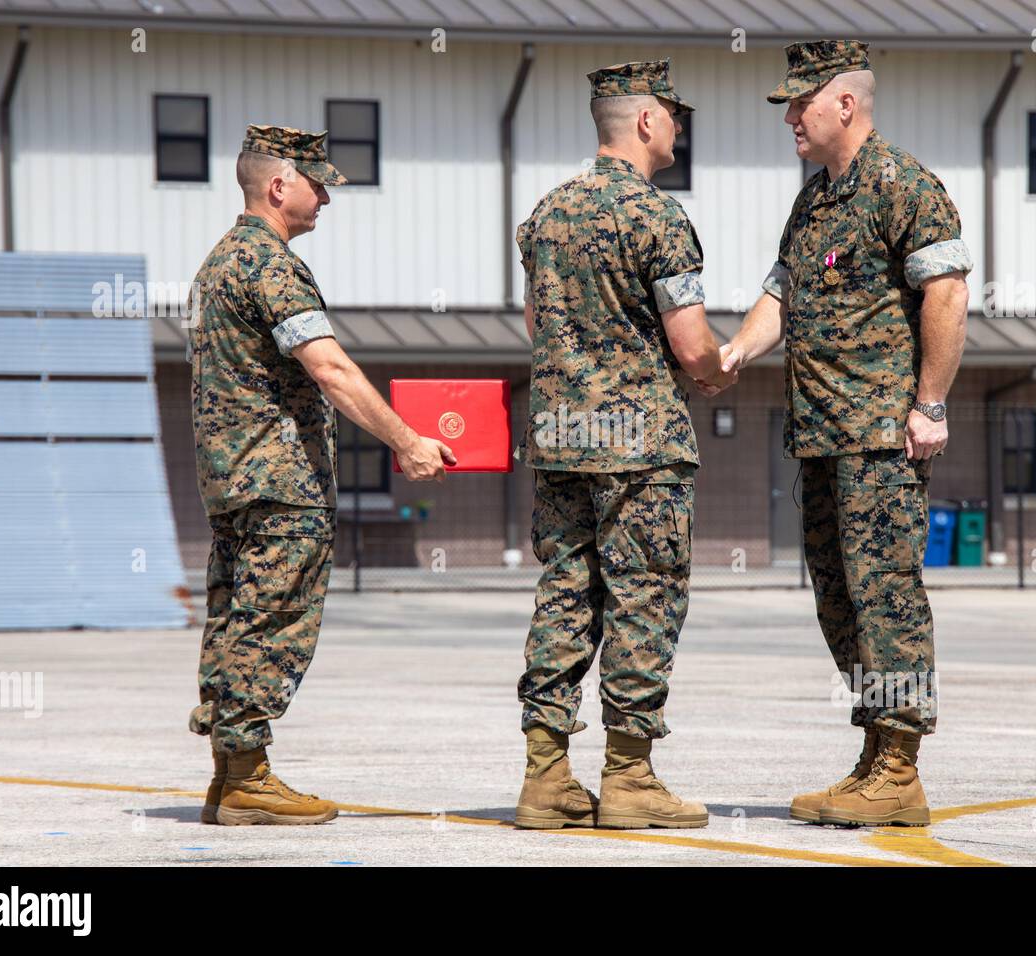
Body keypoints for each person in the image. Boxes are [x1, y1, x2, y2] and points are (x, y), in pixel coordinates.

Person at [721, 42, 971, 826]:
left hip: (879, 440)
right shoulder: (814, 203)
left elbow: (949, 293)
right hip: (821, 439)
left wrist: (929, 404)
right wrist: (733, 350)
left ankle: (900, 766)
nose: (790, 118)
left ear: (846, 104)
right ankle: (873, 755)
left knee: (886, 596)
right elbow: (780, 298)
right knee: (840, 601)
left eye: (801, 103)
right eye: (787, 106)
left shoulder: (903, 185)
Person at [188, 124, 454, 826]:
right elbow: (329, 366)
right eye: (318, 185)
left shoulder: (217, 263)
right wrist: (406, 440)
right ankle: (247, 777)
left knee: (236, 618)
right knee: (274, 622)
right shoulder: (270, 266)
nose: (326, 200)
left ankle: (228, 775)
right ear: (279, 186)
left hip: (232, 482)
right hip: (281, 485)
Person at [512, 61, 735, 830]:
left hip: (562, 438)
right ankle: (630, 777)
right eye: (672, 115)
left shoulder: (545, 215)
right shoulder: (657, 218)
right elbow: (689, 338)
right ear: (645, 122)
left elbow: (539, 331)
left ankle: (545, 776)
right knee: (644, 597)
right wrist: (716, 368)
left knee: (566, 593)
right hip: (640, 445)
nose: (677, 128)